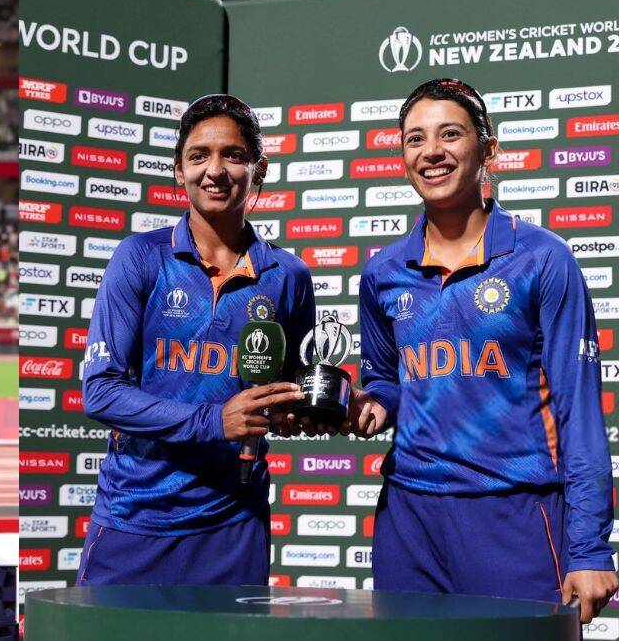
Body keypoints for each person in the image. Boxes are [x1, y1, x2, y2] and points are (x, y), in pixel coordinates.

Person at [349, 77, 617, 621]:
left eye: (450, 134)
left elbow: (579, 414)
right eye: (414, 139)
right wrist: (374, 404)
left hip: (514, 514)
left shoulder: (542, 259)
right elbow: (387, 381)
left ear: (487, 149)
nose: (431, 152)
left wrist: (589, 546)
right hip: (408, 521)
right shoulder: (383, 271)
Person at [77, 94, 316, 585]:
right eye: (199, 155)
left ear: (259, 170)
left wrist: (303, 409)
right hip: (136, 516)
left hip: (234, 521)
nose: (216, 170)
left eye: (233, 154)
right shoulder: (140, 257)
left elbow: (282, 389)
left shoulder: (288, 276)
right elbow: (101, 391)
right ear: (178, 171)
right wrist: (215, 420)